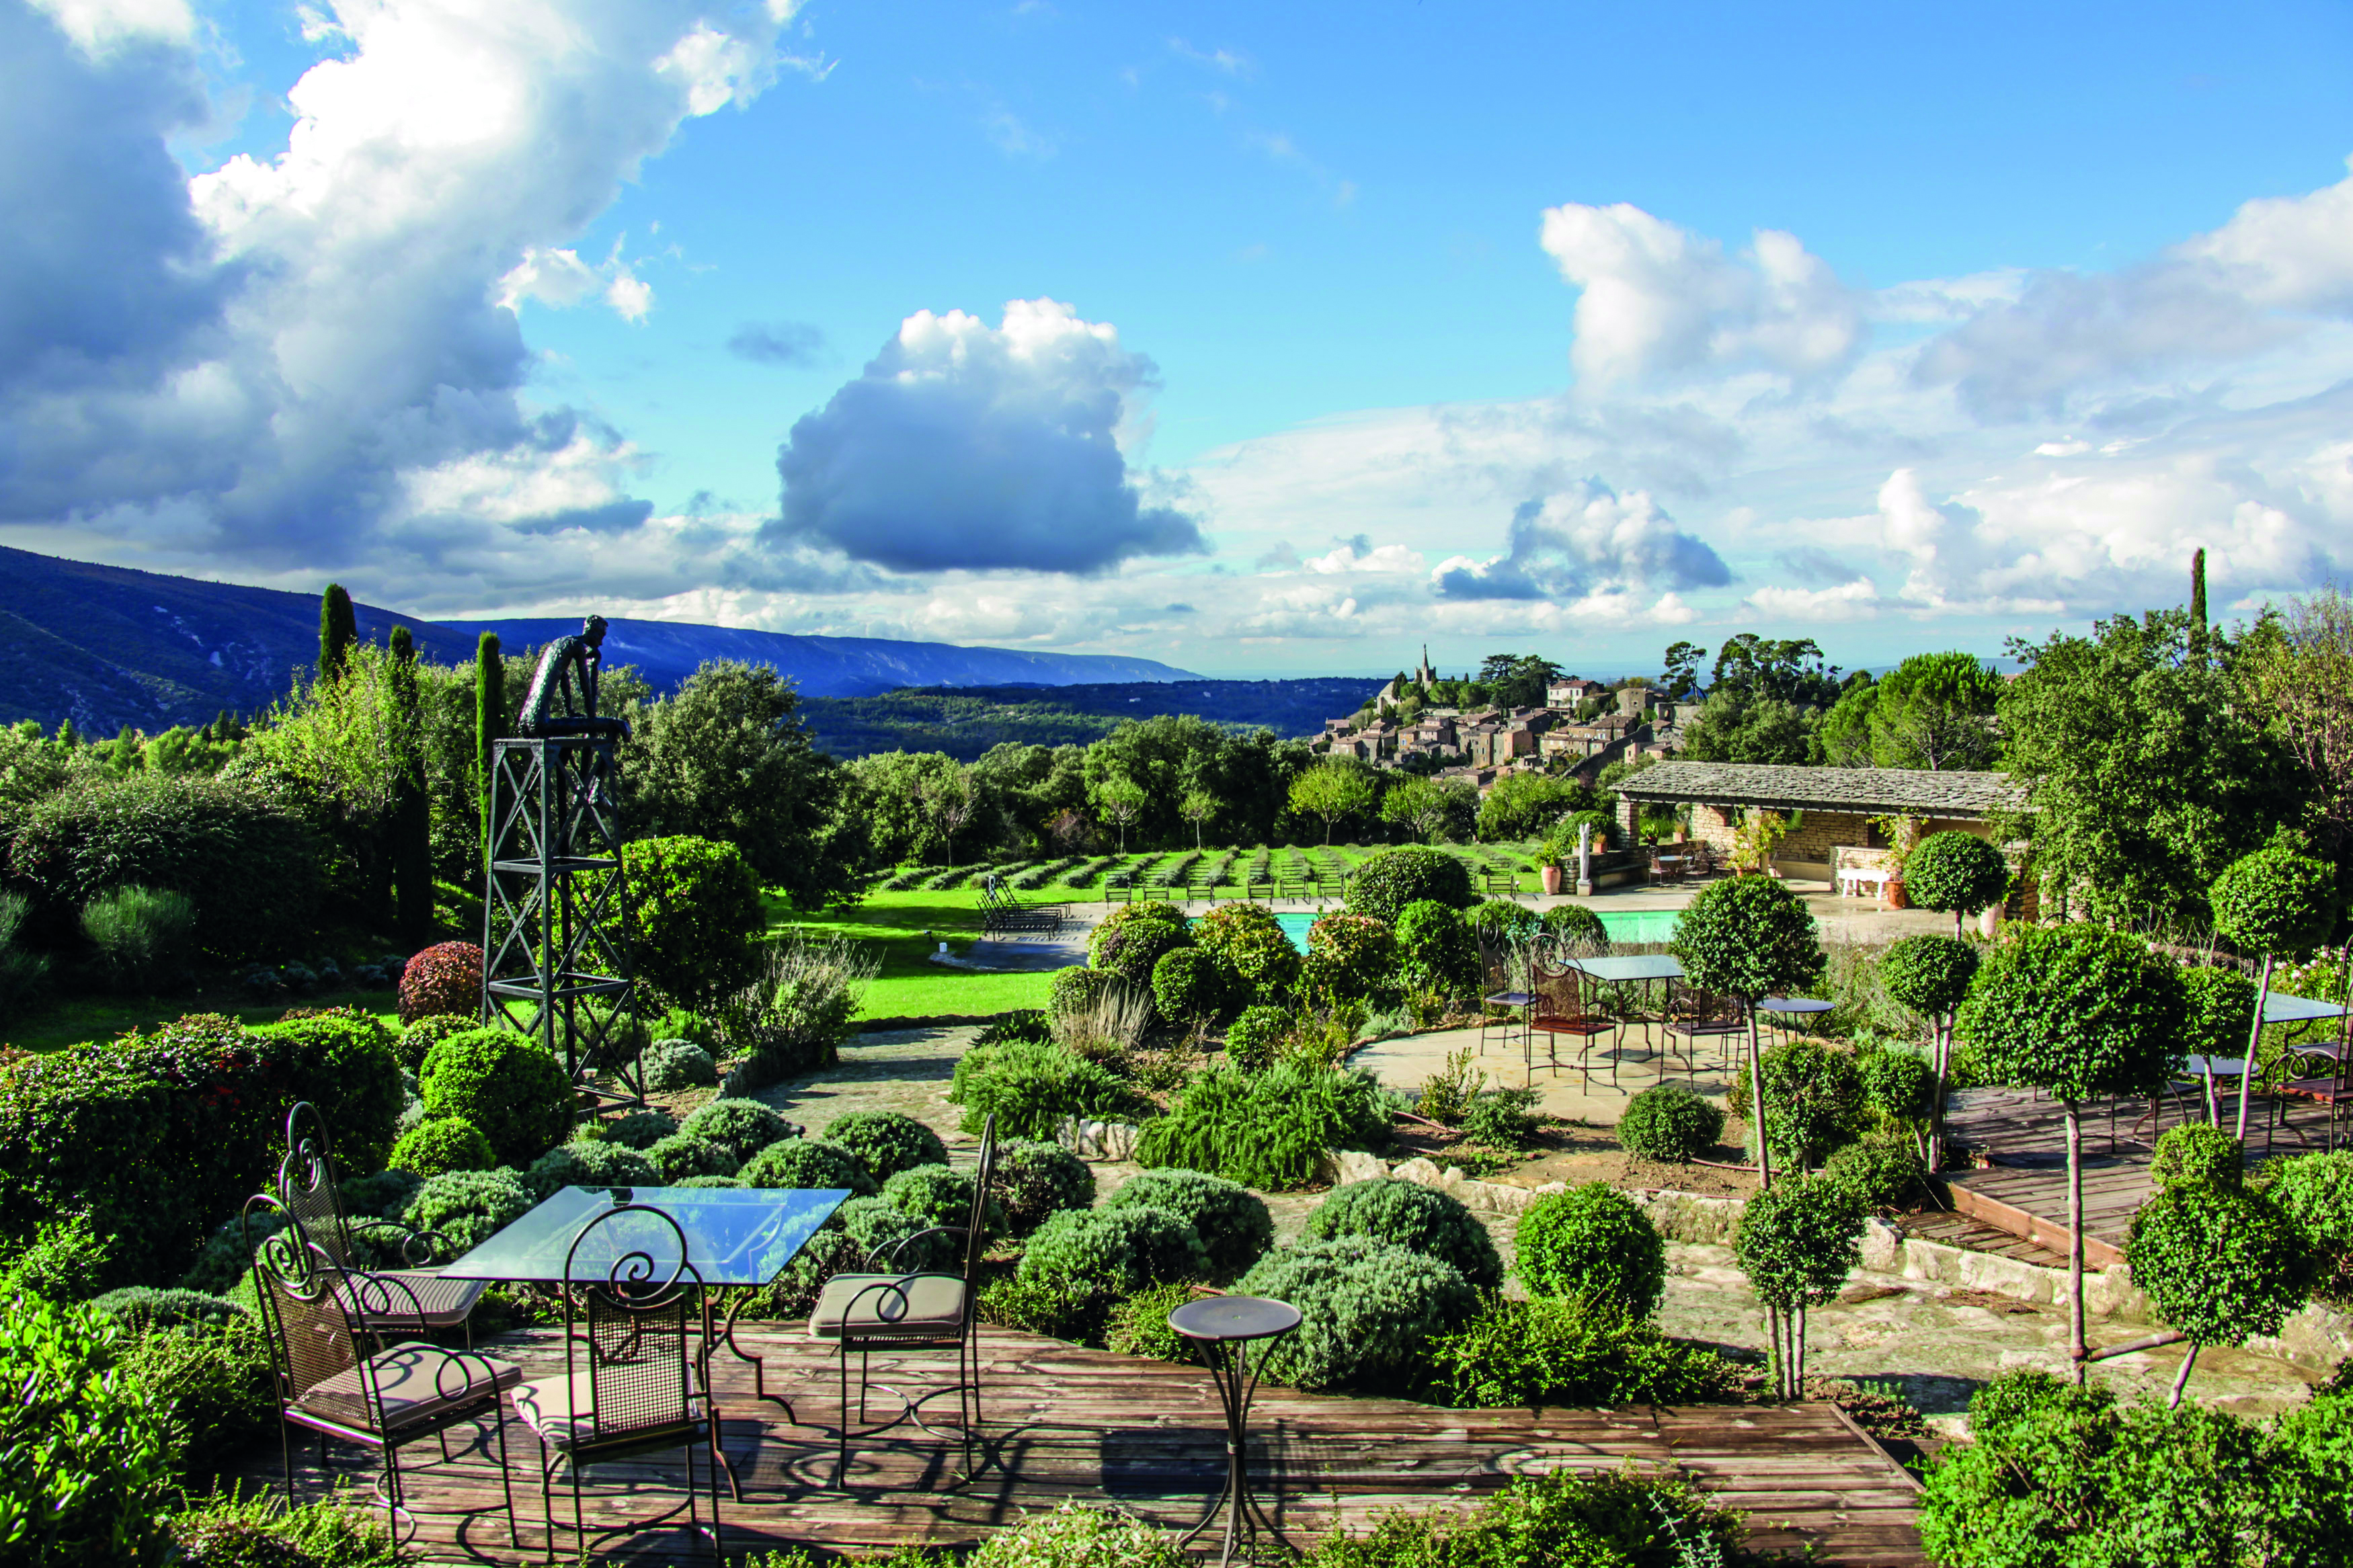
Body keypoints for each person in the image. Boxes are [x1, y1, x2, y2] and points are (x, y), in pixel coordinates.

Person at [514, 614, 631, 739]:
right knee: (615, 725)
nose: (601, 643)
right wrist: (592, 719)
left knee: (562, 748)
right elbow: (585, 685)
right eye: (601, 636)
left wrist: (569, 711)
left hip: (525, 719)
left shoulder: (560, 644)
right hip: (540, 722)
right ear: (594, 633)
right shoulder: (577, 646)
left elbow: (563, 678)